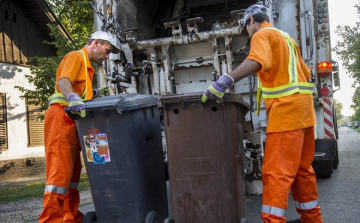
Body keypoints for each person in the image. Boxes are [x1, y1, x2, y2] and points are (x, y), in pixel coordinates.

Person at [202, 4, 323, 223]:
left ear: (251, 21)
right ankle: (312, 220)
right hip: (304, 116)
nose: (247, 33)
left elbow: (257, 60)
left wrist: (225, 80)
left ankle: (272, 221)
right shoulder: (287, 39)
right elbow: (305, 74)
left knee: (275, 174)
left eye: (246, 28)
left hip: (286, 117)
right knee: (302, 172)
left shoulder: (261, 35)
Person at [39, 31, 120, 223]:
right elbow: (64, 80)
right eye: (107, 51)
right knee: (59, 174)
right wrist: (73, 97)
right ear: (96, 43)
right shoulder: (76, 56)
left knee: (72, 175)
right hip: (61, 117)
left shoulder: (86, 67)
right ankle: (51, 220)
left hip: (74, 121)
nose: (107, 56)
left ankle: (70, 217)